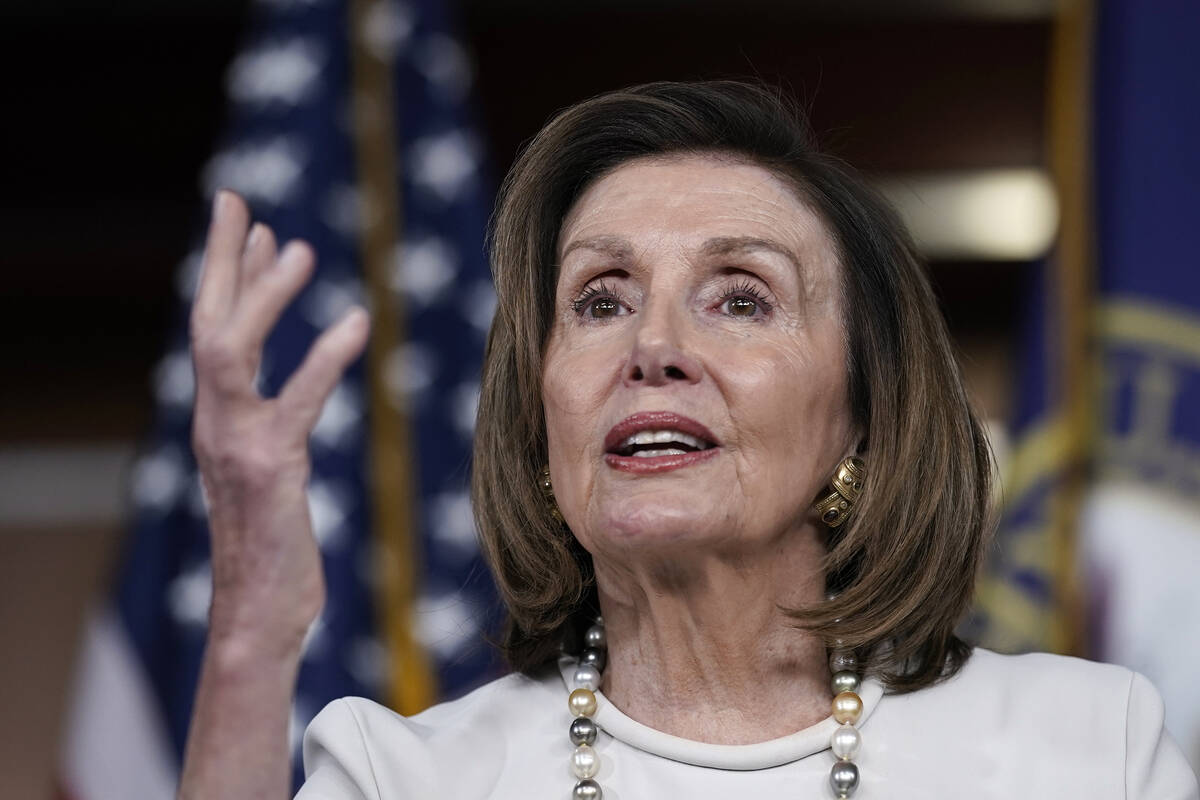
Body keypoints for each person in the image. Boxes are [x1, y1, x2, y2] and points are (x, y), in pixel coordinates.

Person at [177, 81, 1199, 799]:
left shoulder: (1086, 750)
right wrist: (251, 634)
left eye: (741, 297)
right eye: (601, 297)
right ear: (542, 416)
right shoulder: (402, 775)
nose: (653, 345)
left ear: (867, 412)